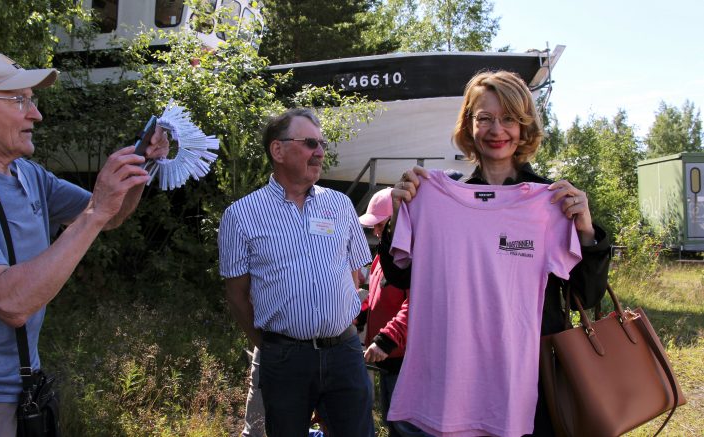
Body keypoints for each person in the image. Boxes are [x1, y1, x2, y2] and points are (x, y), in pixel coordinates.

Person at [0, 51, 169, 436]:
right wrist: (95, 212)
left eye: (31, 99)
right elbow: (9, 302)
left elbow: (110, 216)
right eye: (18, 100)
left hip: (27, 391)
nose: (35, 114)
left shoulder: (28, 174)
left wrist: (140, 166)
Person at [380, 70, 611, 436]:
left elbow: (588, 294)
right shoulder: (436, 197)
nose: (496, 130)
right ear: (469, 125)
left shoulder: (549, 202)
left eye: (508, 119)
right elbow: (399, 276)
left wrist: (584, 230)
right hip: (454, 378)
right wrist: (400, 215)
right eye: (484, 118)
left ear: (524, 127)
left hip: (530, 379)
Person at [218, 108, 374, 437]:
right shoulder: (241, 215)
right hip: (285, 358)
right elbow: (236, 295)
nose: (319, 151)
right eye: (309, 143)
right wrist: (271, 347)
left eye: (321, 143)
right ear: (278, 150)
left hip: (345, 353)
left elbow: (355, 275)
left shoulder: (341, 205)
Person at [359, 188, 433, 437]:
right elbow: (375, 295)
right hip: (387, 360)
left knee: (407, 427)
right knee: (393, 423)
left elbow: (418, 306)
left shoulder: (414, 257)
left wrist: (386, 339)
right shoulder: (383, 254)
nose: (375, 231)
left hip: (405, 359)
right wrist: (358, 316)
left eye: (379, 225)